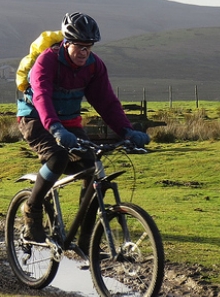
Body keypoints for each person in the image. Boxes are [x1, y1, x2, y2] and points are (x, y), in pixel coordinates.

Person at [16, 12, 150, 243]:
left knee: (91, 166)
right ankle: (32, 208)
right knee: (57, 159)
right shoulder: (46, 62)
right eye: (79, 46)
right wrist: (55, 128)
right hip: (36, 118)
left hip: (68, 122)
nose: (84, 52)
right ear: (66, 43)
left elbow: (106, 102)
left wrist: (126, 131)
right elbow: (42, 97)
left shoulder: (94, 66)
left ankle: (86, 238)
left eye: (88, 47)